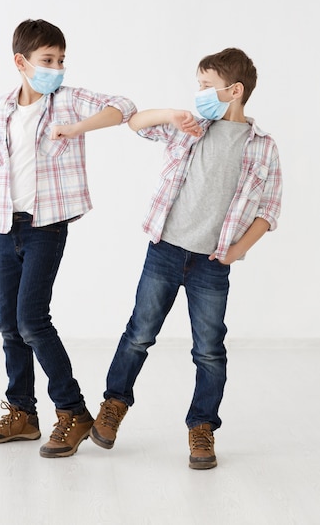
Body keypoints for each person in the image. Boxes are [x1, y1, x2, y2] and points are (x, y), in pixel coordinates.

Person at [88, 48, 282, 469]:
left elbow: (269, 209)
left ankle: (202, 428)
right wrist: (172, 113)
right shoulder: (191, 127)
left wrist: (237, 251)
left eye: (205, 86)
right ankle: (114, 405)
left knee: (209, 349)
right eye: (197, 85)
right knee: (139, 333)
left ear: (234, 91)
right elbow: (135, 123)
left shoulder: (263, 146)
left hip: (212, 264)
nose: (198, 93)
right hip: (166, 248)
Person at [0, 18, 137, 458]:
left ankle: (73, 411)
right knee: (8, 324)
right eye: (47, 60)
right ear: (21, 62)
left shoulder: (67, 101)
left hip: (46, 227)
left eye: (60, 60)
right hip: (6, 226)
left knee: (32, 320)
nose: (56, 67)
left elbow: (123, 106)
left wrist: (76, 129)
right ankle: (23, 413)